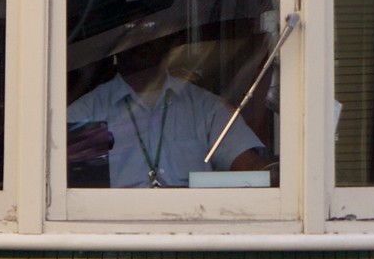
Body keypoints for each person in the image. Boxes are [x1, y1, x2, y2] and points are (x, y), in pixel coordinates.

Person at [66, 20, 273, 188]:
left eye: (151, 27)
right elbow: (72, 190)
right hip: (113, 233)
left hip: (192, 229)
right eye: (129, 28)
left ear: (167, 39)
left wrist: (279, 177)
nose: (140, 38)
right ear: (114, 44)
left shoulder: (205, 107)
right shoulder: (86, 112)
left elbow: (249, 165)